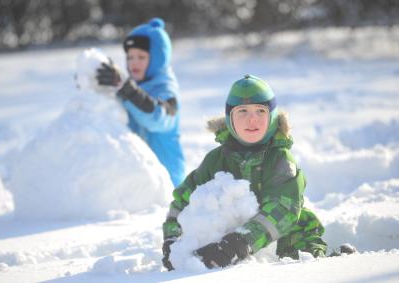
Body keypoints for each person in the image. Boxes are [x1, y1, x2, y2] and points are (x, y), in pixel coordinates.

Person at [161, 74, 329, 270]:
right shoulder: (216, 160)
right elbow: (183, 200)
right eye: (242, 111)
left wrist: (239, 243)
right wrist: (172, 240)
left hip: (292, 241)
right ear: (229, 118)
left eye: (260, 111)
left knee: (303, 267)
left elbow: (284, 209)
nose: (252, 119)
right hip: (225, 250)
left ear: (272, 116)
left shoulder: (280, 160)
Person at [96, 18, 185, 187]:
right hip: (141, 180)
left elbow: (158, 118)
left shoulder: (166, 89)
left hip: (168, 181)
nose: (133, 63)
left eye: (141, 57)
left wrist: (128, 90)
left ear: (158, 58)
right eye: (130, 57)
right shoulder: (130, 86)